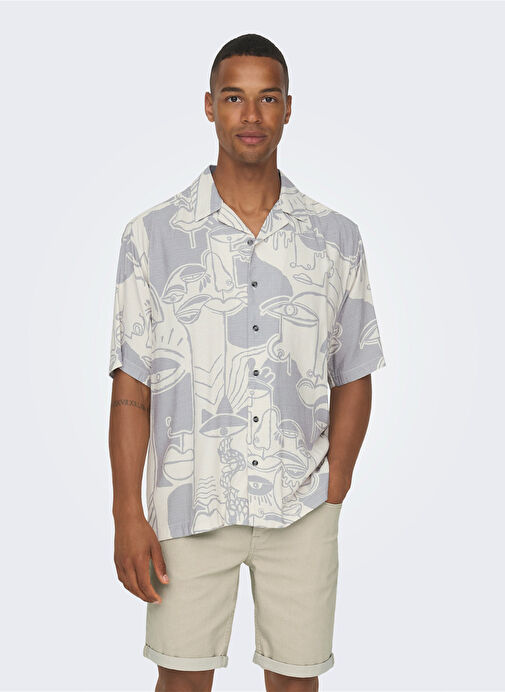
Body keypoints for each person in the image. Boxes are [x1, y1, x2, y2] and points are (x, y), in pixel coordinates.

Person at [108, 33, 386, 692]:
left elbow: (354, 368)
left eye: (267, 98)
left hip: (301, 506)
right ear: (209, 107)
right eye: (234, 98)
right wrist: (126, 512)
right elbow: (131, 385)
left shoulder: (335, 237)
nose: (251, 115)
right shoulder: (152, 236)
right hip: (188, 504)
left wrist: (336, 483)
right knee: (182, 681)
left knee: (296, 682)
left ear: (288, 108)